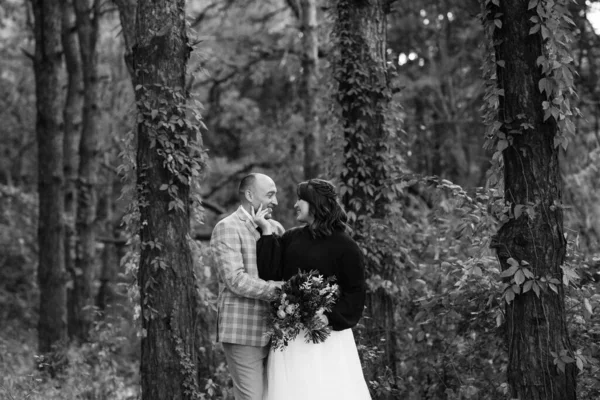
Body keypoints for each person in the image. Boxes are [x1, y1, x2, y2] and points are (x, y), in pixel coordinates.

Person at [254, 178, 371, 400]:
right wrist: (266, 231)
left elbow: (355, 292)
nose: (295, 204)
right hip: (290, 333)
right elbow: (270, 272)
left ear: (315, 204)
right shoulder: (291, 237)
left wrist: (328, 317)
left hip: (327, 336)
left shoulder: (345, 246)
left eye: (301, 199)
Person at [210, 173, 285, 400]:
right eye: (270, 195)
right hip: (243, 332)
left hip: (276, 332)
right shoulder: (227, 227)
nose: (276, 201)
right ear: (250, 195)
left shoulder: (275, 229)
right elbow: (235, 280)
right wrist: (280, 291)